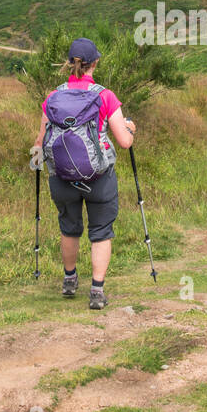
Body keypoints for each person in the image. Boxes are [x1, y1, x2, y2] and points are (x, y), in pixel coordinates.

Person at [31, 37, 137, 310]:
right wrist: (131, 129)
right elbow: (124, 142)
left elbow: (39, 143)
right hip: (99, 178)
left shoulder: (53, 97)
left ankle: (69, 280)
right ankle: (97, 291)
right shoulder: (105, 96)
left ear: (69, 63)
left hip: (61, 178)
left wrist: (38, 167)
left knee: (69, 228)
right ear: (95, 64)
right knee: (101, 231)